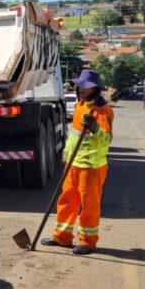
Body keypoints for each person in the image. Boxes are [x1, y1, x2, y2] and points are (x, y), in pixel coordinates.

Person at [41, 69, 114, 255]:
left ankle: (87, 241)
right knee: (66, 201)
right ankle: (62, 237)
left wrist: (95, 128)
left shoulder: (103, 111)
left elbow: (106, 139)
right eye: (80, 86)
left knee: (89, 205)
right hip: (73, 164)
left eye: (87, 87)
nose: (82, 89)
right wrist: (66, 156)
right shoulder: (81, 105)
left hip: (91, 167)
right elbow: (73, 137)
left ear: (96, 89)